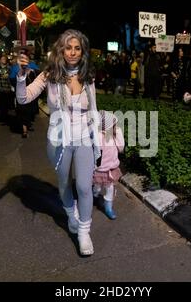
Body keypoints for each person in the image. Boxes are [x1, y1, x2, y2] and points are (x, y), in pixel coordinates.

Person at [15, 29, 100, 256]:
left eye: (77, 48)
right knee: (63, 184)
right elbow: (23, 98)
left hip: (83, 138)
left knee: (83, 186)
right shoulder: (49, 75)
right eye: (68, 47)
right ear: (61, 49)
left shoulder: (88, 76)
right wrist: (22, 75)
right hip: (59, 140)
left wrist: (100, 140)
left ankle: (84, 232)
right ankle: (71, 216)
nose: (72, 53)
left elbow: (93, 110)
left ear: (83, 52)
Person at [92, 111, 124, 220]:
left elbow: (121, 148)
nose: (116, 127)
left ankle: (108, 208)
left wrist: (118, 133)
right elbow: (94, 151)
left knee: (110, 189)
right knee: (97, 187)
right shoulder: (98, 136)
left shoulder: (115, 137)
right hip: (99, 170)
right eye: (114, 124)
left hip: (111, 169)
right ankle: (94, 196)